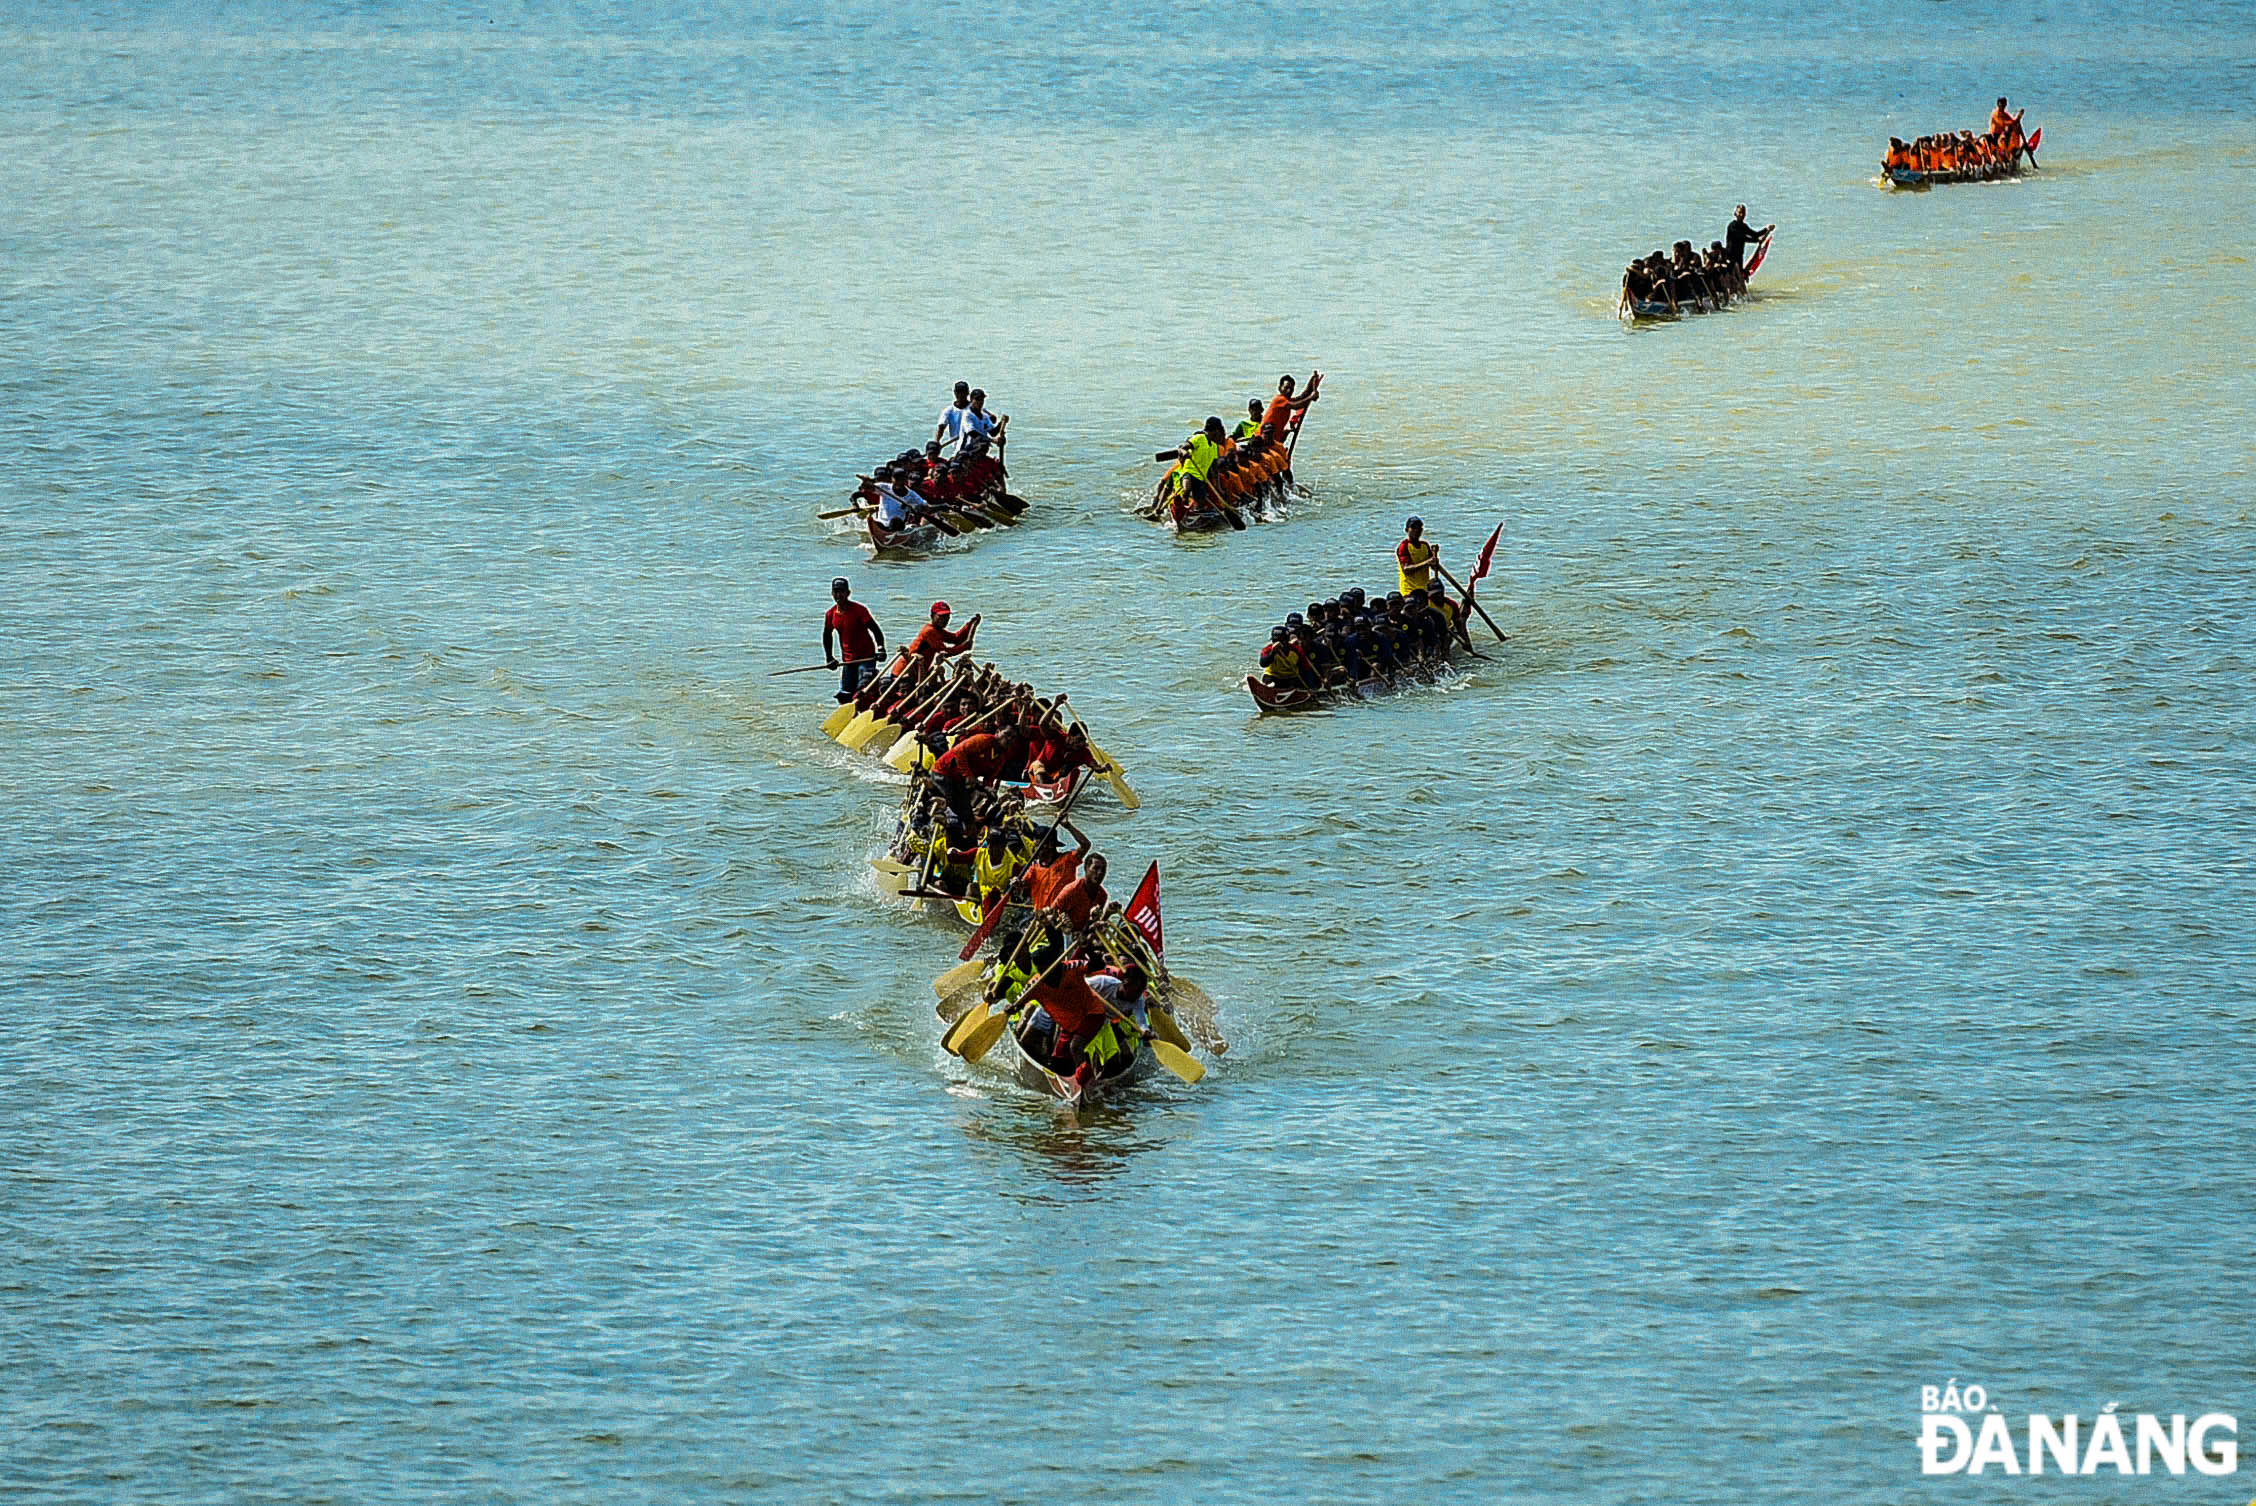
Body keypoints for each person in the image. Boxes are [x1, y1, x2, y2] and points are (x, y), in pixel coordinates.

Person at [820, 578, 885, 703]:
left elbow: (875, 630)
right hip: (848, 661)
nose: (839, 595)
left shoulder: (859, 610)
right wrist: (829, 658)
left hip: (866, 658)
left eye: (842, 592)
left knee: (862, 690)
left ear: (848, 593)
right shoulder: (830, 614)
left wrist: (881, 648)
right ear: (832, 594)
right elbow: (827, 635)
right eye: (836, 592)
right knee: (845, 695)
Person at [897, 601, 980, 669]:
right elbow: (945, 652)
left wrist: (969, 625)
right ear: (932, 616)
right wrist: (964, 647)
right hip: (905, 672)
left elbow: (955, 638)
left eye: (947, 617)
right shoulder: (929, 631)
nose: (945, 620)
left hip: (918, 672)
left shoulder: (938, 630)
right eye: (941, 617)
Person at [1261, 372, 1321, 441]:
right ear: (1279, 388)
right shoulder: (1279, 399)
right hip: (1263, 439)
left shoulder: (1287, 400)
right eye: (1286, 388)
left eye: (1291, 389)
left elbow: (1301, 397)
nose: (1289, 391)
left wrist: (1311, 382)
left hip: (1273, 439)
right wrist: (1311, 397)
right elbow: (1297, 405)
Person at [1724, 205, 1773, 276]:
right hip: (1731, 254)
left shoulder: (1744, 226)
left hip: (1739, 254)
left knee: (1739, 273)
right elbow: (1742, 237)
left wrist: (1766, 229)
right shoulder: (1732, 226)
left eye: (1743, 213)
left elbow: (1755, 234)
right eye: (1740, 212)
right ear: (1735, 214)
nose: (1741, 215)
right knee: (1733, 273)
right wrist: (1757, 240)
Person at [1396, 516, 1439, 596]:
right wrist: (1427, 562)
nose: (1416, 530)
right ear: (1407, 530)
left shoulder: (1425, 545)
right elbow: (1406, 569)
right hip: (1409, 591)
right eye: (1413, 527)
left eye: (1419, 528)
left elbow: (1434, 566)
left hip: (1424, 590)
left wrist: (1434, 557)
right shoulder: (1404, 546)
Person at [935, 380, 972, 452]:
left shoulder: (975, 409)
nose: (961, 395)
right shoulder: (948, 411)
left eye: (963, 392)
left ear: (968, 393)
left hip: (973, 446)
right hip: (957, 446)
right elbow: (941, 428)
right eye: (958, 392)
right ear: (955, 393)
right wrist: (937, 442)